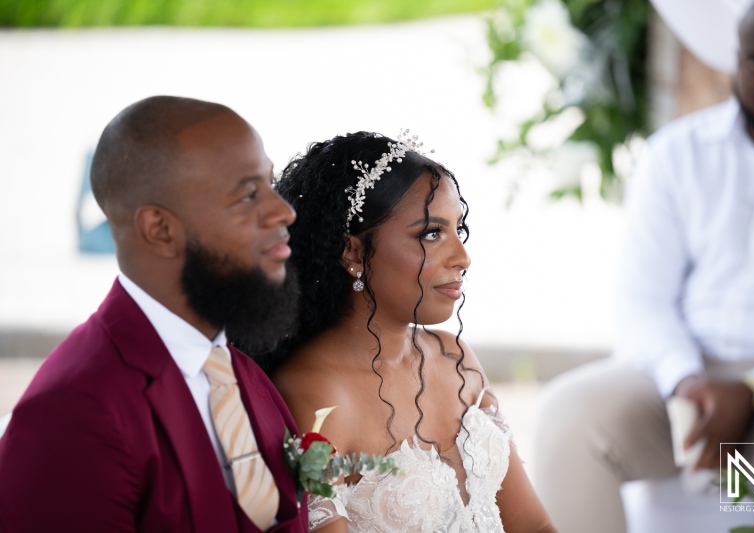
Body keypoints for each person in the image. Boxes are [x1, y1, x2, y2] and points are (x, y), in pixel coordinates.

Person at [531, 0, 754, 531]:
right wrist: (685, 381)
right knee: (567, 420)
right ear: (736, 59)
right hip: (681, 384)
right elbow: (642, 297)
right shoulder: (676, 153)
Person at [0, 96, 309, 532]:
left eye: (271, 184)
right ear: (160, 230)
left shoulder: (242, 374)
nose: (283, 211)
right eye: (248, 195)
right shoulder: (73, 411)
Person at [258, 131, 556, 532]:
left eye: (458, 230)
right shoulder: (316, 396)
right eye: (432, 233)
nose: (463, 257)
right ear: (353, 251)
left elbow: (534, 525)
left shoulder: (457, 359)